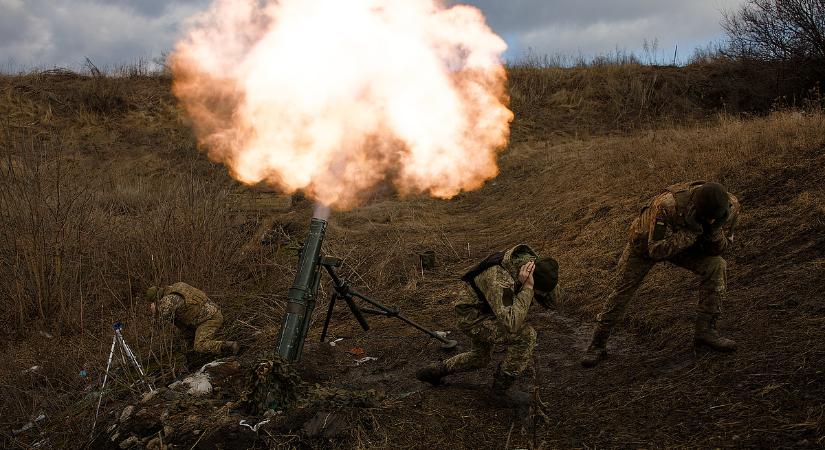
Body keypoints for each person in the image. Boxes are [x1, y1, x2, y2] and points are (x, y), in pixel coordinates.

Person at [581, 181, 741, 368]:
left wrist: (713, 232)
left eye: (716, 218)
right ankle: (597, 344)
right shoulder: (667, 205)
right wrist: (691, 234)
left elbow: (721, 250)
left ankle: (705, 332)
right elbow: (656, 250)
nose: (712, 221)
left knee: (717, 266)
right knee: (621, 292)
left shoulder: (731, 207)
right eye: (708, 217)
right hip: (644, 244)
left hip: (684, 245)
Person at [415, 244, 561, 405]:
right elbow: (510, 323)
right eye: (538, 291)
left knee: (480, 358)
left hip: (490, 309)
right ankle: (499, 391)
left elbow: (553, 298)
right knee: (526, 336)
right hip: (473, 317)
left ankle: (434, 371)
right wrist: (528, 288)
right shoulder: (499, 278)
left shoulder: (533, 264)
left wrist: (540, 289)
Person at [146, 282, 239, 356]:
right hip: (212, 313)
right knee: (183, 338)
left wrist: (155, 312)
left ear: (156, 299)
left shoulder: (168, 300)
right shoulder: (178, 286)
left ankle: (229, 346)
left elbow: (158, 325)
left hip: (209, 320)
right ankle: (195, 359)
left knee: (200, 345)